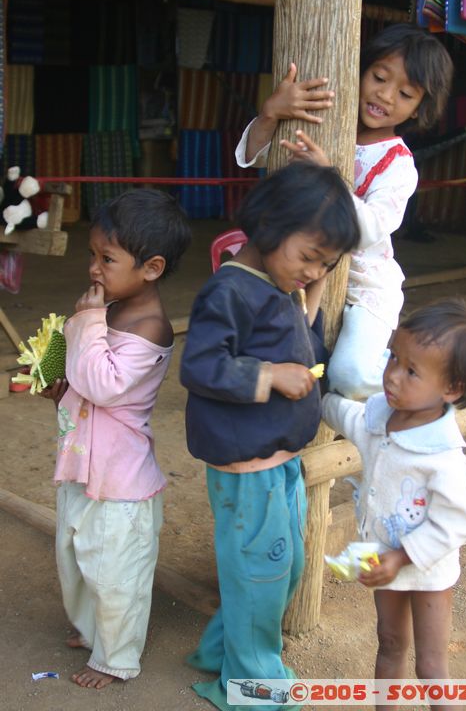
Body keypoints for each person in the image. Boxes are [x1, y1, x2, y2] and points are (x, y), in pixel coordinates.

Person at [180, 162, 360, 711]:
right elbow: (200, 364)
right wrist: (268, 375)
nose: (313, 271)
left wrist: (313, 288)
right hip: (246, 467)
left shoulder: (279, 284)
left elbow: (293, 334)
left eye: (325, 263)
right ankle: (253, 686)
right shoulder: (230, 290)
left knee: (284, 568)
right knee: (263, 571)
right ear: (268, 227)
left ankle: (221, 650)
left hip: (278, 461)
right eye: (309, 256)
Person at [236, 23, 454, 400]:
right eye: (379, 77)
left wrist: (331, 178)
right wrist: (271, 113)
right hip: (297, 267)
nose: (385, 95)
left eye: (404, 93)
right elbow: (252, 157)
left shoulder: (398, 165)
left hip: (364, 286)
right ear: (360, 68)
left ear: (421, 108)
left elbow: (370, 230)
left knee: (349, 375)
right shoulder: (325, 123)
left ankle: (417, 385)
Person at [42, 188, 191, 689]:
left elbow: (104, 383)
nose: (94, 268)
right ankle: (92, 631)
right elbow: (81, 376)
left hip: (121, 480)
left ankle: (116, 657)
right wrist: (58, 381)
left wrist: (85, 323)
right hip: (82, 465)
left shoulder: (150, 327)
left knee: (115, 573)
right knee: (76, 557)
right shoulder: (105, 311)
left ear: (151, 267)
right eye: (93, 255)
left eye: (107, 259)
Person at [322, 297, 466, 711]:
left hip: (427, 568)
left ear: (452, 389)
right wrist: (316, 401)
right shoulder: (381, 416)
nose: (392, 376)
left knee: (431, 666)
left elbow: (459, 522)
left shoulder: (443, 456)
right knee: (388, 644)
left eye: (411, 371)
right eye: (393, 358)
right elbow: (351, 418)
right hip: (382, 558)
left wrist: (402, 558)